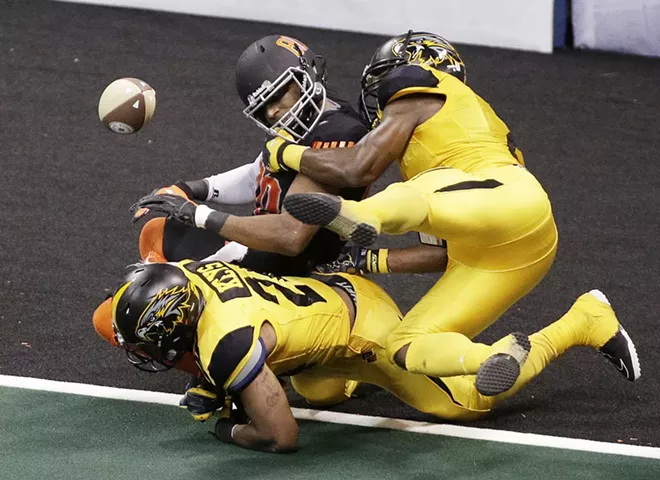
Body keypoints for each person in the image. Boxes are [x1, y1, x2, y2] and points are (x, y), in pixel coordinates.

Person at [256, 30, 639, 396]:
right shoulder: (441, 145)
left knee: (415, 193)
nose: (380, 102)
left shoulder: (416, 86)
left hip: (504, 197)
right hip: (512, 248)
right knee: (406, 346)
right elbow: (440, 253)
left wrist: (283, 152)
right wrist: (369, 260)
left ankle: (358, 213)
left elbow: (358, 167)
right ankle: (537, 339)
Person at [95, 34, 448, 407]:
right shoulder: (317, 119)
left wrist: (199, 218)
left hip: (285, 263)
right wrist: (190, 189)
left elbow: (290, 236)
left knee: (111, 317)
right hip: (266, 248)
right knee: (156, 233)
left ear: (306, 76)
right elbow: (260, 172)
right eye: (266, 108)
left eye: (282, 95)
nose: (278, 112)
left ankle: (213, 373)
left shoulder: (337, 135)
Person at [109, 259, 640, 453]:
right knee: (316, 387)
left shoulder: (225, 342)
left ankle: (580, 321)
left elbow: (282, 436)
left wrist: (227, 428)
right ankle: (353, 374)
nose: (148, 354)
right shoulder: (188, 271)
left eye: (149, 344)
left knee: (465, 404)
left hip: (366, 332)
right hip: (330, 301)